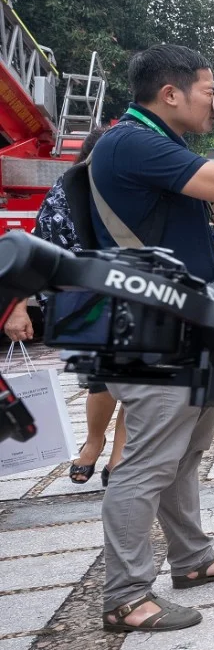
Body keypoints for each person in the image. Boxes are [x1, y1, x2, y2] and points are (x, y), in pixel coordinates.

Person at [89, 45, 214, 633]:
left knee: (187, 453)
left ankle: (191, 558)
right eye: (206, 90)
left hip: (189, 323)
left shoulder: (165, 148)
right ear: (169, 94)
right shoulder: (132, 142)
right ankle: (124, 595)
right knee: (146, 465)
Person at [5, 128, 126, 486]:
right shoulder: (65, 192)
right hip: (83, 304)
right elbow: (33, 253)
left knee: (137, 383)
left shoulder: (139, 190)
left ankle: (120, 459)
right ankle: (94, 440)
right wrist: (18, 308)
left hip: (136, 301)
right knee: (100, 381)